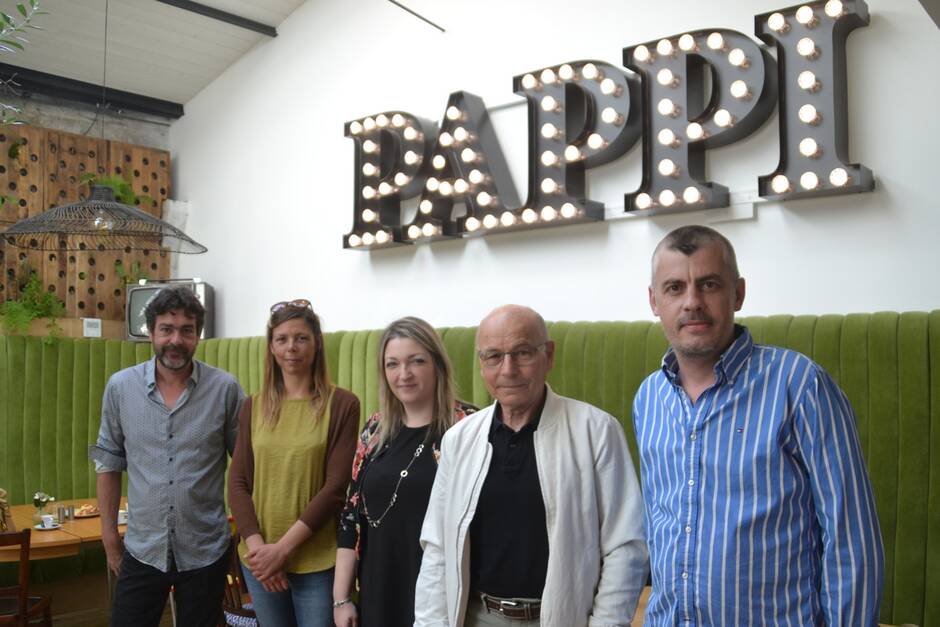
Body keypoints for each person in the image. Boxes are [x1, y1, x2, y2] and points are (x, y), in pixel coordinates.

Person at [634, 225, 884, 626]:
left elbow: (851, 540)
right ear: (654, 300)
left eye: (709, 284)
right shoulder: (649, 398)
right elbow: (658, 526)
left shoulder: (799, 384)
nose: (692, 302)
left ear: (738, 293)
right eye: (675, 288)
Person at [414, 305, 648, 627]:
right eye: (493, 356)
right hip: (475, 617)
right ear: (481, 365)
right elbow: (438, 548)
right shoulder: (459, 439)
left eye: (522, 353)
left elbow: (625, 546)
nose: (508, 369)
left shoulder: (596, 431)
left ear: (548, 356)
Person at [90, 286, 244, 627]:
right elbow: (108, 463)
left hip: (206, 549)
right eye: (166, 329)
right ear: (151, 334)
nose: (176, 339)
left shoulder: (226, 389)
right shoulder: (120, 388)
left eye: (186, 330)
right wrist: (109, 535)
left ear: (198, 335)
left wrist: (247, 531)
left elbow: (246, 467)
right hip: (143, 548)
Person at [333, 316, 475, 627]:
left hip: (443, 593)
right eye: (392, 364)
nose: (404, 374)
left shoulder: (468, 426)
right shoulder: (374, 429)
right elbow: (350, 516)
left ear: (437, 364)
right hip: (379, 588)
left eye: (416, 361)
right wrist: (341, 599)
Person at [228, 299, 360, 627]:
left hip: (316, 560)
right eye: (282, 339)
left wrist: (281, 551)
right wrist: (260, 550)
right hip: (259, 559)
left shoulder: (342, 404)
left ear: (317, 344)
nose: (291, 347)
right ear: (271, 347)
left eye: (301, 338)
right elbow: (238, 481)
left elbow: (335, 489)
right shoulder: (252, 406)